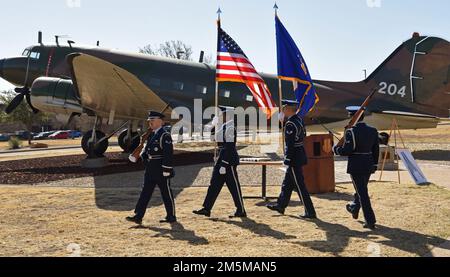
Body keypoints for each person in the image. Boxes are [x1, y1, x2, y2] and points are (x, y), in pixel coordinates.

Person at [267, 100, 317, 219]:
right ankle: (281, 205)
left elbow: (290, 143)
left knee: (300, 186)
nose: (283, 110)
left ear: (289, 109)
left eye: (284, 108)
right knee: (287, 184)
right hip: (299, 154)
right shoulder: (298, 120)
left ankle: (310, 211)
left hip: (294, 157)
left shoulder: (290, 124)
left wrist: (287, 159)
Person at [193, 106, 246, 218]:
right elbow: (214, 140)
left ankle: (241, 210)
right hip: (220, 159)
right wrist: (214, 126)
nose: (220, 116)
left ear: (228, 115)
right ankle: (207, 208)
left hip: (228, 161)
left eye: (222, 114)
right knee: (214, 185)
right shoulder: (223, 127)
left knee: (234, 187)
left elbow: (229, 147)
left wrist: (224, 163)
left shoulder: (230, 128)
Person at [333, 106, 380, 230]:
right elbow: (376, 149)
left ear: (352, 117)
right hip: (369, 163)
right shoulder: (373, 130)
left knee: (362, 193)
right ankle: (354, 207)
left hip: (357, 165)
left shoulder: (351, 132)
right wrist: (375, 164)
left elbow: (347, 150)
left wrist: (336, 149)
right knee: (361, 189)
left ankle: (370, 220)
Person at [126, 111, 176, 225]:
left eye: (152, 121)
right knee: (145, 193)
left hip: (161, 169)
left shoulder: (164, 135)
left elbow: (168, 154)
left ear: (160, 122)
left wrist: (167, 169)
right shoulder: (151, 135)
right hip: (150, 169)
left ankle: (171, 216)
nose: (150, 123)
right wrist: (140, 157)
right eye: (149, 121)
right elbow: (147, 151)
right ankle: (138, 215)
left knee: (166, 193)